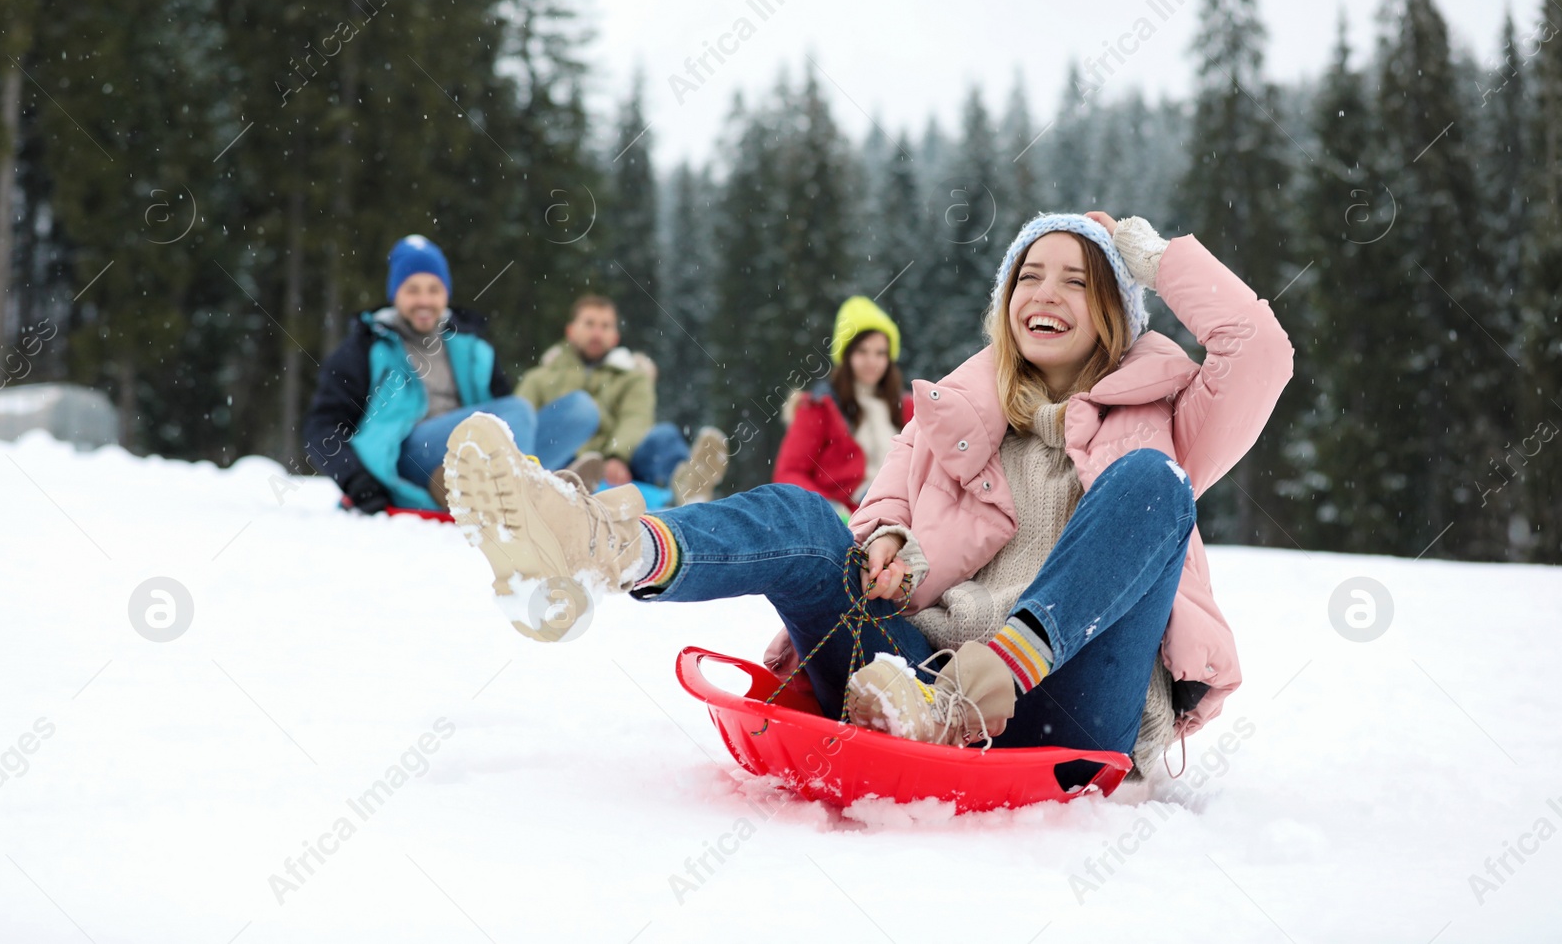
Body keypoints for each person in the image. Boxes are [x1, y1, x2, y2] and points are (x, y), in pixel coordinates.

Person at [442, 211, 1293, 785]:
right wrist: (888, 542)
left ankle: (985, 682)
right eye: (1030, 274)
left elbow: (1260, 353)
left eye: (1078, 279)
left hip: (1067, 701)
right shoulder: (949, 416)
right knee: (811, 521)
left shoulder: (1168, 416)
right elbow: (877, 512)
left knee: (1151, 485)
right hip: (911, 680)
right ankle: (600, 546)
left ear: (1116, 308)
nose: (1047, 292)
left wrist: (1149, 254)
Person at [302, 235, 600, 513]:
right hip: (408, 454)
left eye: (433, 290)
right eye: (413, 290)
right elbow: (322, 426)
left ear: (446, 292)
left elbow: (509, 420)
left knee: (581, 409)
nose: (424, 301)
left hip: (476, 452)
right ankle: (539, 491)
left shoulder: (472, 348)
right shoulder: (367, 347)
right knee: (516, 410)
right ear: (395, 294)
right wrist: (356, 480)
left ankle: (509, 485)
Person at [515, 294, 728, 505]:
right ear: (570, 331)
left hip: (624, 463)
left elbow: (636, 418)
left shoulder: (633, 376)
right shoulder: (539, 378)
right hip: (564, 461)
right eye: (589, 324)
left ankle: (686, 484)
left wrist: (617, 455)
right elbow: (521, 423)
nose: (597, 333)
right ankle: (573, 481)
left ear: (615, 336)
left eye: (605, 326)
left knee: (663, 436)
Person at [774, 295, 914, 519]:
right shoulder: (818, 408)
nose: (872, 361)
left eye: (880, 353)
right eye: (862, 351)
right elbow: (789, 473)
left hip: (905, 509)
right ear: (846, 355)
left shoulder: (908, 408)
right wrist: (828, 509)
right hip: (849, 517)